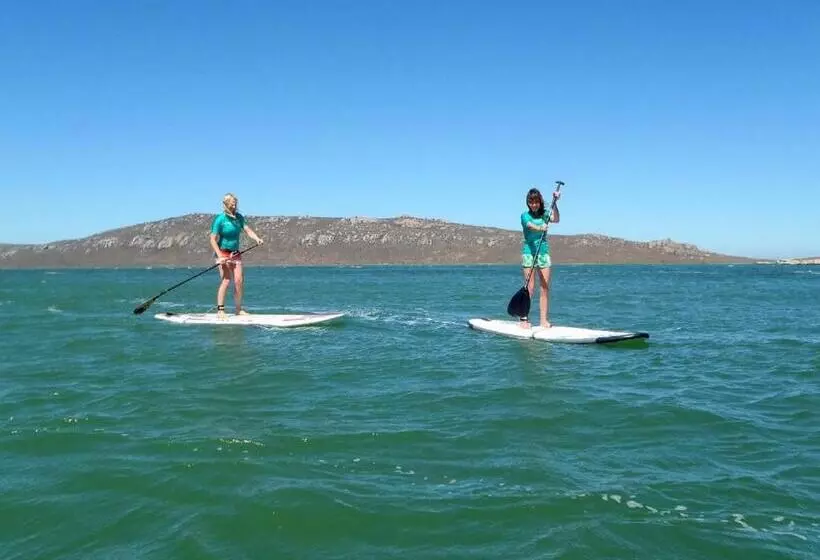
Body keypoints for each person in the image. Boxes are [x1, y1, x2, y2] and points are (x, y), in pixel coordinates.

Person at [209, 193, 263, 317]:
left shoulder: (239, 217)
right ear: (225, 204)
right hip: (223, 252)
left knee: (239, 281)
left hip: (235, 253)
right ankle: (220, 310)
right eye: (231, 203)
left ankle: (238, 309)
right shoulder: (220, 219)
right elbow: (212, 239)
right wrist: (220, 256)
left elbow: (247, 230)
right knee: (226, 280)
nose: (234, 205)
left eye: (235, 203)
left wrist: (257, 238)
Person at [520, 187, 560, 328]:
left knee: (544, 287)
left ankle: (543, 320)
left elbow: (556, 219)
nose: (534, 204)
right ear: (528, 203)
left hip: (543, 253)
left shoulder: (545, 214)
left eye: (536, 202)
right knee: (529, 288)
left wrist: (555, 203)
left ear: (540, 202)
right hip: (529, 253)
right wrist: (540, 228)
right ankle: (524, 319)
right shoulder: (524, 215)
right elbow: (529, 226)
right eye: (531, 202)